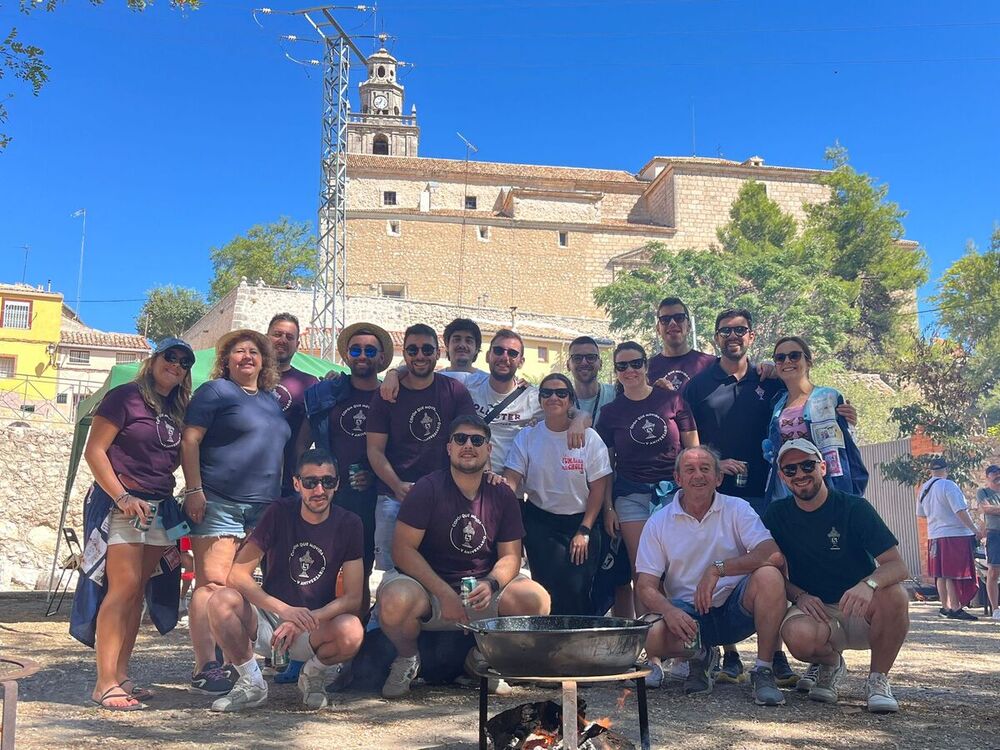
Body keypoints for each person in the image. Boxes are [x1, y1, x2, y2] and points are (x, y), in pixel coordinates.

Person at [684, 308, 857, 686]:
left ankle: (775, 654)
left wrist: (844, 413)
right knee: (718, 564)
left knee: (775, 566)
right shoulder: (698, 385)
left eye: (741, 330)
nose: (733, 335)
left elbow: (811, 406)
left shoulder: (771, 383)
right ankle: (725, 652)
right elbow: (688, 434)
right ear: (715, 337)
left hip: (769, 491)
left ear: (751, 335)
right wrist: (713, 464)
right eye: (726, 330)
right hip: (718, 492)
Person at [375, 415, 551, 698]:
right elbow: (402, 550)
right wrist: (444, 593)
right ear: (448, 448)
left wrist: (492, 583)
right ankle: (407, 659)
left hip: (481, 588)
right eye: (460, 439)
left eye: (477, 440)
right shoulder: (427, 488)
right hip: (430, 589)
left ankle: (484, 659)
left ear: (489, 450)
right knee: (395, 600)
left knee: (536, 599)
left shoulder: (501, 493)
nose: (468, 445)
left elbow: (511, 557)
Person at [72, 338, 194, 710]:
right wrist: (123, 496)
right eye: (169, 357)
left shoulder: (178, 409)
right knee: (121, 589)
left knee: (138, 592)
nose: (175, 364)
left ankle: (122, 677)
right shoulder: (125, 397)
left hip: (158, 505)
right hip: (123, 503)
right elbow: (95, 451)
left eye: (183, 361)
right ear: (154, 360)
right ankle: (104, 683)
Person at [205, 449, 365, 712]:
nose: (319, 490)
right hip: (271, 619)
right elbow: (236, 575)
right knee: (220, 600)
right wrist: (285, 611)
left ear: (338, 484)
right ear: (296, 484)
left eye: (328, 481)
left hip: (314, 624)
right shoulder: (279, 512)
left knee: (352, 630)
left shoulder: (350, 523)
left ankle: (313, 677)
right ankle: (251, 683)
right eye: (311, 482)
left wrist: (305, 619)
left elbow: (353, 598)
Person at [763, 439, 910, 713]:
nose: (800, 474)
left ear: (823, 467)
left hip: (860, 607)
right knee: (796, 635)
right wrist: (798, 595)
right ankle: (830, 664)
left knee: (895, 594)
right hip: (816, 610)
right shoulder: (776, 514)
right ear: (782, 477)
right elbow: (765, 569)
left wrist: (869, 584)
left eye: (807, 465)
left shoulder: (854, 508)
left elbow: (897, 566)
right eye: (790, 469)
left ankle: (878, 680)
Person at [181, 329, 291, 695]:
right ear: (226, 360)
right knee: (212, 583)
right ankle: (205, 665)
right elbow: (191, 439)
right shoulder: (215, 392)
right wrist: (194, 489)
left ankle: (234, 663)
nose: (247, 357)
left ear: (264, 361)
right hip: (219, 500)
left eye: (254, 352)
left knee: (240, 586)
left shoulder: (271, 400)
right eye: (238, 352)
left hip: (264, 508)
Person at [637, 446, 788, 706]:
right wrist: (669, 611)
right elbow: (645, 585)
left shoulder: (737, 508)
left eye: (706, 469)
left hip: (736, 609)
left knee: (770, 576)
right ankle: (701, 656)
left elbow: (773, 554)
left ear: (718, 478)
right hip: (688, 618)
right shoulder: (658, 522)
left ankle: (763, 670)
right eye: (690, 469)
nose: (698, 475)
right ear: (678, 479)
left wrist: (718, 568)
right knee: (649, 635)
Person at [597, 340, 698, 690]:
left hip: (673, 494)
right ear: (616, 372)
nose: (630, 371)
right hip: (631, 496)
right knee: (645, 571)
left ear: (645, 365)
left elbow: (692, 448)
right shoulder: (610, 413)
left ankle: (684, 651)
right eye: (622, 366)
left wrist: (696, 489)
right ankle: (652, 656)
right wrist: (609, 507)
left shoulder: (670, 399)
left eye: (636, 363)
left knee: (680, 568)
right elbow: (604, 465)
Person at [367, 323, 476, 571]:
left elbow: (468, 441)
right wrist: (397, 486)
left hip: (443, 496)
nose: (419, 356)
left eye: (427, 349)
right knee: (391, 574)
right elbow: (374, 449)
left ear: (437, 353)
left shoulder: (454, 391)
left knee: (441, 570)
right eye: (412, 350)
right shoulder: (386, 395)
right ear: (404, 354)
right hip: (393, 497)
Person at [302, 322, 394, 616]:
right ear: (347, 355)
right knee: (318, 568)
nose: (362, 355)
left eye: (370, 350)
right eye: (356, 349)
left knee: (361, 570)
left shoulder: (391, 397)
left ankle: (357, 641)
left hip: (371, 499)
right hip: (328, 496)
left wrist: (376, 474)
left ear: (381, 358)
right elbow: (303, 443)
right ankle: (312, 643)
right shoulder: (327, 394)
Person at [503, 374, 613, 615]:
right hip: (541, 522)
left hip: (581, 522)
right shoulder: (527, 436)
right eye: (547, 393)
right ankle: (549, 649)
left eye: (561, 393)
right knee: (545, 591)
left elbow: (598, 486)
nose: (554, 397)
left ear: (571, 400)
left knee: (578, 590)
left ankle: (581, 647)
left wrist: (584, 530)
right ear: (540, 399)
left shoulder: (590, 438)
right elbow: (511, 480)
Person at [763, 336, 868, 503]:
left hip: (830, 490)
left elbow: (849, 446)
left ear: (809, 362)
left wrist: (855, 491)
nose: (787, 361)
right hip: (787, 494)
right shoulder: (776, 404)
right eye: (780, 358)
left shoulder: (830, 397)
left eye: (794, 356)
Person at [916, 456, 984, 621]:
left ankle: (945, 606)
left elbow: (921, 514)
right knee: (953, 572)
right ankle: (955, 607)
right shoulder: (948, 485)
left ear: (931, 471)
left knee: (941, 573)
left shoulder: (923, 488)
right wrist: (974, 529)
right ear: (946, 470)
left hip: (934, 535)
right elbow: (960, 510)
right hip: (954, 534)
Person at [466, 329, 544, 471]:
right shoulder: (469, 385)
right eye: (498, 350)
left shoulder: (532, 397)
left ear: (521, 362)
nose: (504, 357)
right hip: (471, 479)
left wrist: (580, 419)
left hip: (509, 485)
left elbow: (568, 413)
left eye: (512, 353)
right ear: (488, 356)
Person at [266, 313, 319, 496]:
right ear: (266, 338)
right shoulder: (247, 376)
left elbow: (306, 440)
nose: (282, 340)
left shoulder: (310, 384)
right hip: (242, 483)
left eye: (289, 337)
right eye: (277, 334)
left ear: (297, 345)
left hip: (288, 485)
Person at [646, 297, 716, 392]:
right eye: (665, 319)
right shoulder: (646, 369)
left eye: (679, 318)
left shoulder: (711, 365)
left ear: (689, 326)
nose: (672, 323)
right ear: (658, 328)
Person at [566, 336, 616, 427]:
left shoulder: (616, 395)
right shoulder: (561, 401)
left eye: (591, 357)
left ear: (600, 364)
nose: (584, 362)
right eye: (577, 358)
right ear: (568, 365)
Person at [976, 464, 1000, 619]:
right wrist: (993, 508)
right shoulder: (983, 492)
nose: (997, 475)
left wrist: (995, 508)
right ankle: (995, 609)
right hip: (994, 535)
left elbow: (993, 509)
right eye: (993, 473)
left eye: (999, 472)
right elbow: (986, 509)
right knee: (993, 571)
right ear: (987, 476)